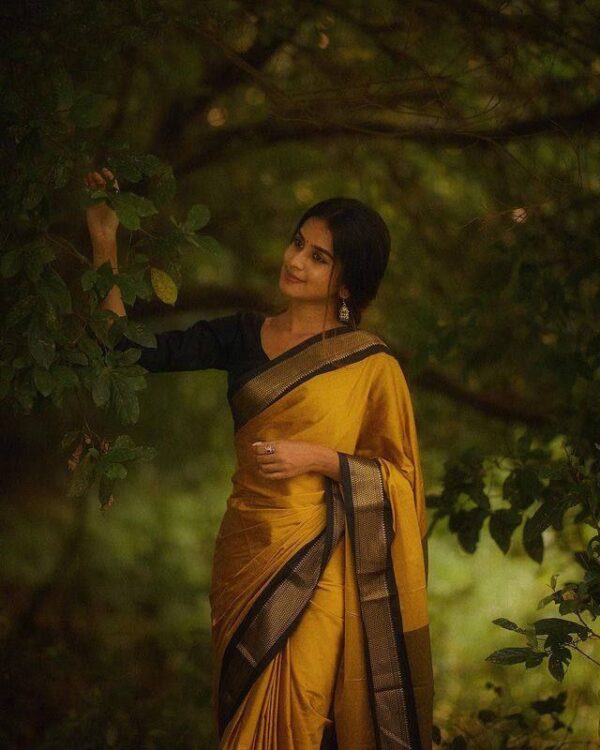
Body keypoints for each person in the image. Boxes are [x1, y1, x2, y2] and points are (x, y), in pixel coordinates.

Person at [84, 168, 435, 750]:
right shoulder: (241, 336)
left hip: (318, 566)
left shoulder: (374, 368)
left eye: (320, 257)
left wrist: (321, 458)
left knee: (298, 713)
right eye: (298, 242)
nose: (296, 260)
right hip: (246, 556)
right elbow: (120, 347)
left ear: (347, 284)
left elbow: (401, 480)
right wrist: (103, 240)